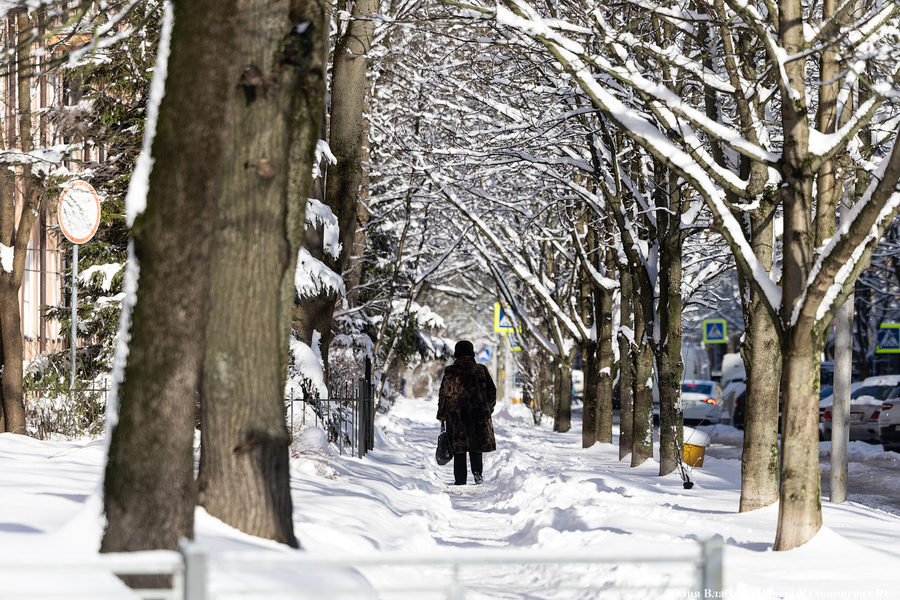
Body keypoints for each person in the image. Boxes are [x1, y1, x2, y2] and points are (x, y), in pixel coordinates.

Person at [437, 340, 497, 485]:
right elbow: (492, 392)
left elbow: (444, 394)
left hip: (457, 416)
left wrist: (442, 415)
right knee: (476, 447)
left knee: (459, 448)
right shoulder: (481, 370)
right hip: (479, 415)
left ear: (457, 353)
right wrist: (488, 408)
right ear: (471, 353)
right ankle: (477, 475)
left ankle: (460, 480)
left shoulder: (451, 371)